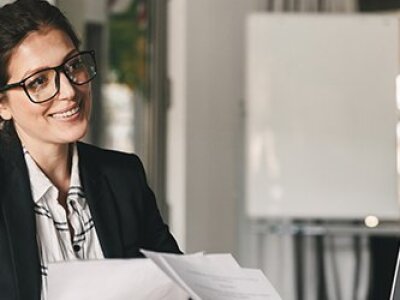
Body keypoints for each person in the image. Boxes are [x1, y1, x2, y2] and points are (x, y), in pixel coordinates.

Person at [0, 1, 181, 299]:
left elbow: (175, 284)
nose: (70, 91)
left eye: (73, 65)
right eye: (39, 81)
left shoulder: (124, 177)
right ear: (3, 105)